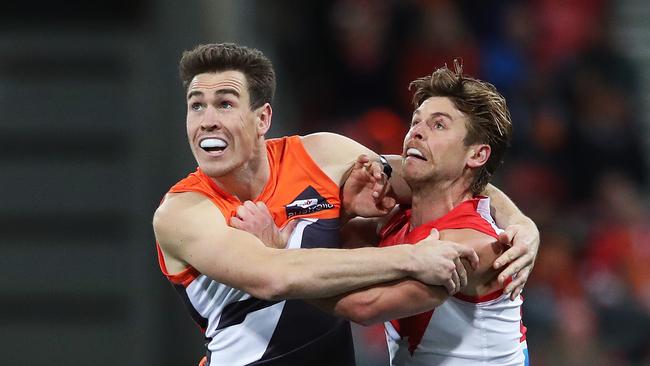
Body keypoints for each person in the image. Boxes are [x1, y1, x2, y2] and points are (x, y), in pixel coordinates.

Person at [152, 43, 538, 366]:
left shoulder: (324, 156)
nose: (207, 121)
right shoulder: (184, 212)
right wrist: (400, 250)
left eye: (224, 103)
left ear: (262, 118)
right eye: (196, 106)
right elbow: (271, 276)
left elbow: (450, 180)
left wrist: (521, 223)